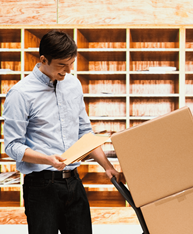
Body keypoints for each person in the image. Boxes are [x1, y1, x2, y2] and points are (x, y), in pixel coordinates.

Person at [3, 30, 123, 234]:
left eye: (71, 64)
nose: (67, 71)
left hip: (74, 182)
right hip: (41, 186)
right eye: (61, 65)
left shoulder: (73, 85)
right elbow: (12, 146)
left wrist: (108, 167)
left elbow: (85, 132)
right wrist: (48, 159)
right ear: (43, 59)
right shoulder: (20, 93)